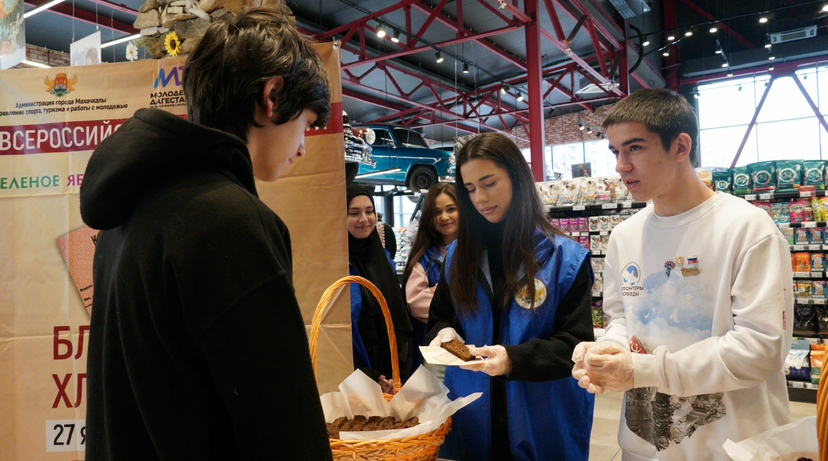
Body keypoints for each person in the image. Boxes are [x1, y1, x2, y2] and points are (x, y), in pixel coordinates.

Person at [79, 6, 333, 460]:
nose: (301, 147)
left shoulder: (125, 212)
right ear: (272, 95)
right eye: (308, 125)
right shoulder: (230, 221)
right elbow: (282, 426)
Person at [571, 88, 793, 460]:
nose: (621, 166)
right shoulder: (625, 236)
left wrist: (642, 370)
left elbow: (761, 348)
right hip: (644, 445)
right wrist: (609, 351)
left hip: (734, 447)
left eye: (635, 148)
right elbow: (623, 319)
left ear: (680, 147)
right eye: (615, 151)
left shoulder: (748, 228)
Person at [427, 132, 596, 461]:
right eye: (471, 189)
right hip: (474, 416)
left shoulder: (565, 259)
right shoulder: (459, 256)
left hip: (543, 420)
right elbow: (440, 320)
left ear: (517, 178)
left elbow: (575, 344)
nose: (480, 198)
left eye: (489, 183)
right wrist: (443, 336)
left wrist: (512, 359)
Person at [347, 184, 413, 393]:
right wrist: (368, 375)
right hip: (354, 372)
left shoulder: (382, 260)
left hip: (389, 368)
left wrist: (397, 371)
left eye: (369, 211)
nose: (364, 219)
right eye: (354, 213)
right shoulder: (335, 266)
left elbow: (397, 315)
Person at [401, 182, 458, 371]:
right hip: (437, 345)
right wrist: (453, 297)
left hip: (477, 341)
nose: (444, 217)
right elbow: (416, 302)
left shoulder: (477, 253)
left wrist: (436, 292)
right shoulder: (424, 257)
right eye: (437, 212)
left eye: (451, 209)